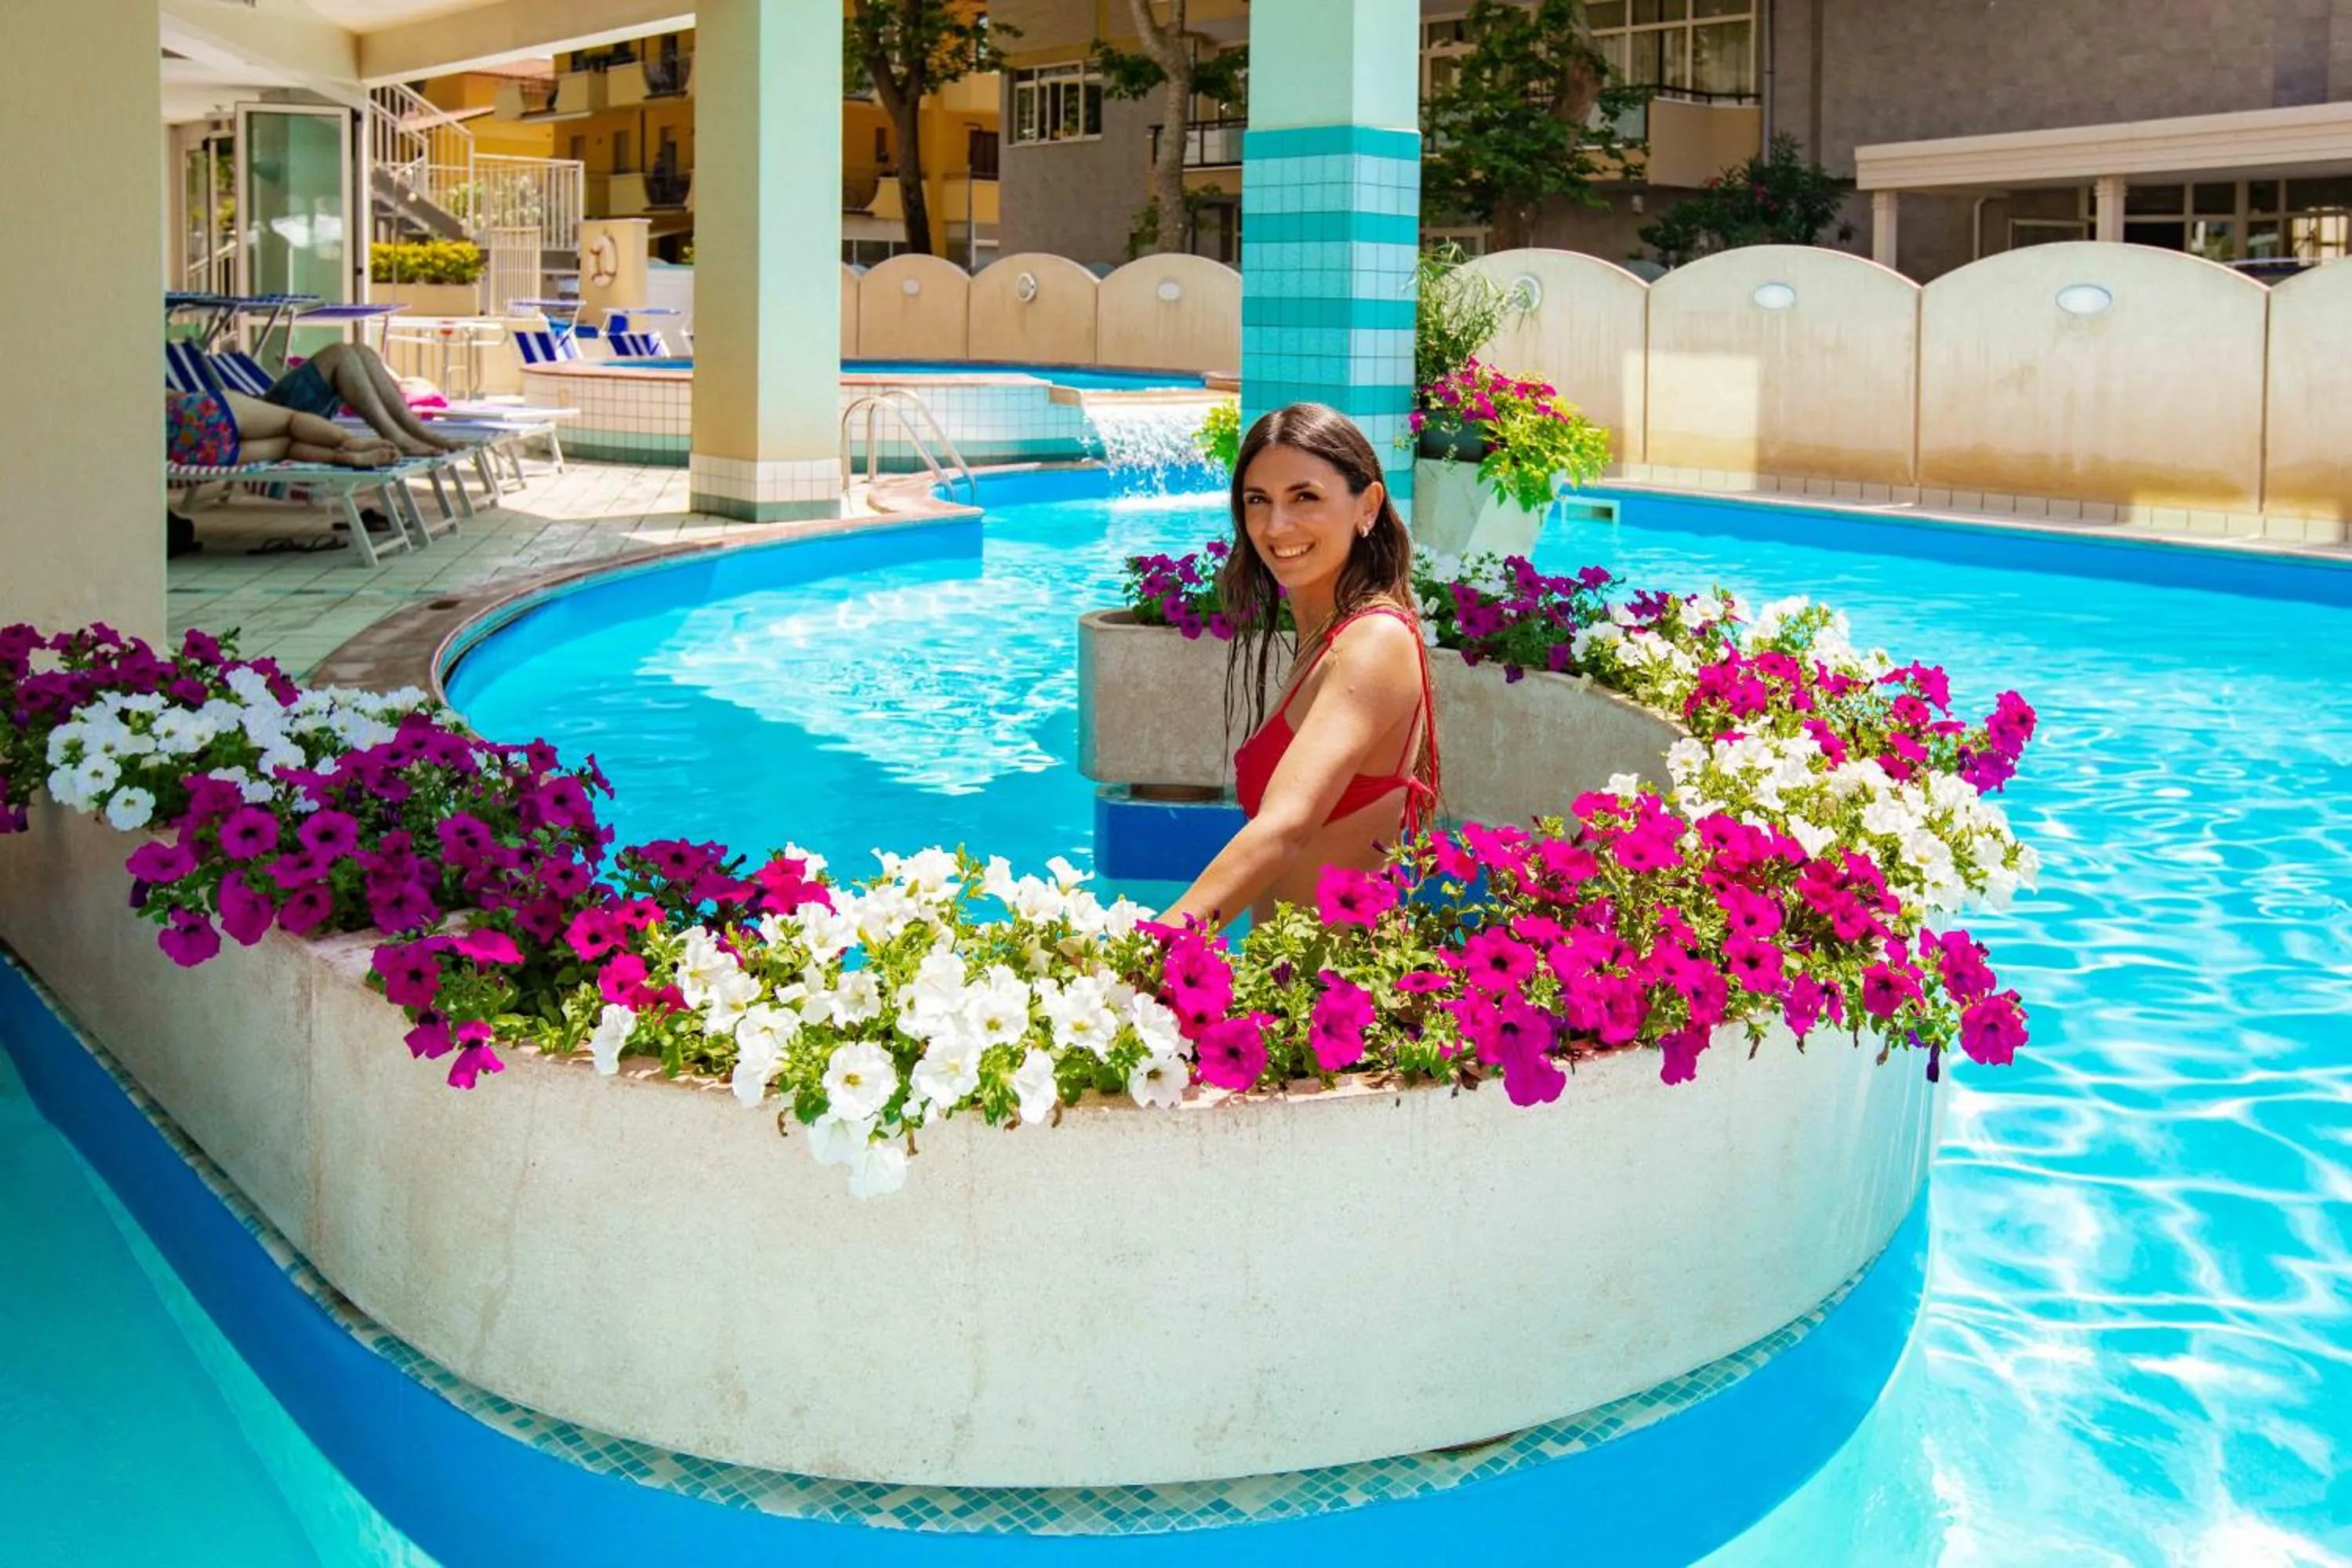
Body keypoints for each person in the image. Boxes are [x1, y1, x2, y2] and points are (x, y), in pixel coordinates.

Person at [1166, 404, 1441, 930]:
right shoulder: (1327, 639)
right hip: (1295, 992)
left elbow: (1285, 829)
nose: (1276, 525)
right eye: (1257, 501)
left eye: (1305, 497)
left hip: (1339, 1001)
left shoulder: (1373, 642)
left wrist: (1144, 951)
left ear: (1369, 506)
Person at [252, 341, 464, 458]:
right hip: (270, 419)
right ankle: (398, 437)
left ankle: (421, 433)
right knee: (339, 352)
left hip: (275, 413)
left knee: (362, 351)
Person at [165, 383, 402, 470]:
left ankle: (337, 456)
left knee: (287, 448)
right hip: (199, 412)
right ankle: (348, 442)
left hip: (195, 452)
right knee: (292, 421)